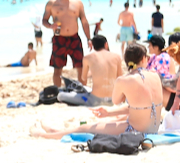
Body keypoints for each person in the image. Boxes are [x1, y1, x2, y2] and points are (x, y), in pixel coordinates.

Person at [31, 43, 164, 138]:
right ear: (144, 59)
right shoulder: (155, 75)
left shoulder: (124, 80)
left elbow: (116, 100)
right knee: (102, 123)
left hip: (136, 130)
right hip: (153, 128)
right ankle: (57, 131)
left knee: (86, 128)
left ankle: (45, 135)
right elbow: (142, 107)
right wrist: (108, 113)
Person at [42, 0, 92, 88]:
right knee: (57, 69)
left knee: (81, 67)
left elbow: (84, 21)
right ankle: (58, 92)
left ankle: (83, 90)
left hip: (74, 38)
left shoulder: (78, 3)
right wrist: (51, 26)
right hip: (59, 38)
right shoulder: (52, 3)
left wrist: (89, 38)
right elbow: (44, 20)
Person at [57, 34, 122, 106]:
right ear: (106, 44)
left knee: (60, 95)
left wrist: (92, 72)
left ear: (92, 46)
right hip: (113, 99)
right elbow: (120, 78)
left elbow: (84, 78)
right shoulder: (117, 57)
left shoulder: (87, 58)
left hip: (94, 100)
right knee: (87, 89)